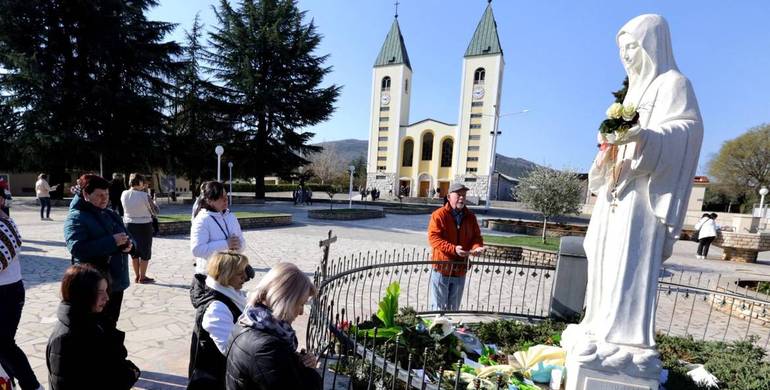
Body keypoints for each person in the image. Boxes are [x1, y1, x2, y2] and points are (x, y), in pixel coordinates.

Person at [566, 14, 703, 354]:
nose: (626, 55)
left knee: (626, 263)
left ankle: (622, 338)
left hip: (641, 199)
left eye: (632, 47)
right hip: (616, 190)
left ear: (652, 46)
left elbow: (688, 132)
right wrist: (608, 146)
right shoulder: (633, 93)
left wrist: (647, 139)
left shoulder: (674, 84)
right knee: (599, 254)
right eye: (622, 49)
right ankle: (596, 323)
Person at [225, 262, 321, 390]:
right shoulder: (267, 348)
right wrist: (309, 371)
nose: (302, 312)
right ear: (285, 301)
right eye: (300, 304)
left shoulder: (248, 320)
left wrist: (295, 361)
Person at [46, 264, 140, 390]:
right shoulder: (65, 340)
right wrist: (128, 376)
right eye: (100, 292)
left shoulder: (95, 321)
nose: (106, 298)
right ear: (82, 294)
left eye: (106, 291)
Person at [64, 174, 133, 327]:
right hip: (93, 284)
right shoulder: (76, 217)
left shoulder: (110, 214)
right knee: (94, 328)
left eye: (107, 194)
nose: (104, 199)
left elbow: (128, 236)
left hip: (116, 282)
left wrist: (129, 246)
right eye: (99, 195)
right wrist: (112, 241)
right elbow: (77, 248)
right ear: (86, 194)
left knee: (110, 325)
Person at [188, 251, 251, 390]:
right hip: (215, 378)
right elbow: (229, 349)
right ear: (225, 275)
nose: (245, 277)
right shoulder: (217, 308)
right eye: (240, 273)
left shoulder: (232, 295)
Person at [0, 197, 43, 390]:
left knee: (4, 344)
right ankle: (9, 382)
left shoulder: (4, 225)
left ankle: (31, 385)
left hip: (7, 293)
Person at [427, 182, 485, 311]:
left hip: (460, 269)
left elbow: (476, 237)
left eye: (464, 195)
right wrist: (453, 249)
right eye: (458, 194)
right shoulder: (439, 215)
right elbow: (434, 238)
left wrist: (477, 247)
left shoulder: (470, 217)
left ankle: (450, 330)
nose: (462, 198)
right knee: (438, 309)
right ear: (448, 197)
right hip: (442, 268)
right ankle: (437, 330)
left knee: (454, 309)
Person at [190, 181, 245, 296]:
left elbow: (242, 242)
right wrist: (226, 244)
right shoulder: (202, 220)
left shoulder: (231, 216)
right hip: (210, 278)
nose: (226, 200)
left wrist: (238, 246)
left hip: (231, 276)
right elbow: (197, 249)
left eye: (226, 196)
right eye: (221, 197)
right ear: (209, 200)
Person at [121, 173, 156, 284]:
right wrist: (153, 199)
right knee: (145, 251)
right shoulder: (144, 195)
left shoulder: (124, 193)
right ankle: (143, 276)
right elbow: (155, 211)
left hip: (129, 224)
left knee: (134, 252)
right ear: (140, 182)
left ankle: (137, 276)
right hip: (144, 224)